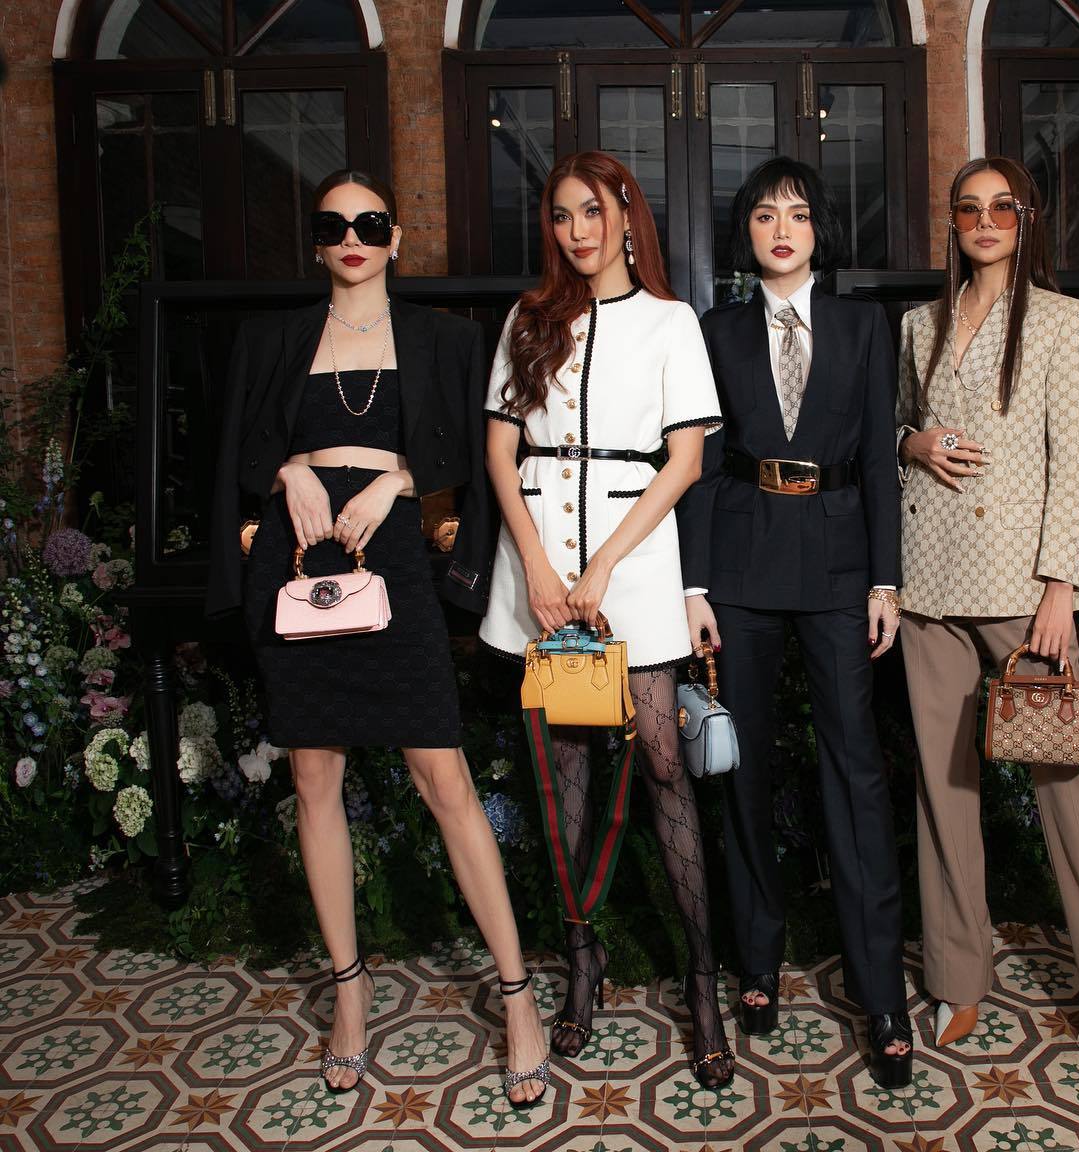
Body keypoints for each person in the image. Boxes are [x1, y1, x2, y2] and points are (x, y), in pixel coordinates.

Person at [206, 169, 549, 1107]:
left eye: (370, 223)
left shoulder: (445, 338)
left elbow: (478, 455)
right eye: (334, 225)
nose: (352, 237)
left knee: (444, 779)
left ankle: (517, 994)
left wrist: (397, 479)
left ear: (396, 237)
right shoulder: (274, 339)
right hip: (300, 560)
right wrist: (290, 471)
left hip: (394, 558)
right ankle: (350, 995)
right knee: (314, 777)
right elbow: (234, 449)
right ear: (316, 241)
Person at [895, 156, 1079, 1110]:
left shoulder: (1062, 320)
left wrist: (1064, 584)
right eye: (968, 208)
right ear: (952, 222)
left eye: (1002, 208)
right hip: (930, 583)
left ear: (1026, 219)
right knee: (944, 794)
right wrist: (914, 442)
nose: (985, 221)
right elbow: (894, 431)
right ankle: (959, 980)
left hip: (1023, 590)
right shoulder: (919, 325)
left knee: (1077, 798)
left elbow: (1073, 457)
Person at [479, 151, 735, 1090]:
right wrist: (540, 568)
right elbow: (500, 453)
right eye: (561, 215)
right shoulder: (529, 317)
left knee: (663, 760)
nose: (577, 230)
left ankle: (702, 981)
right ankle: (581, 965)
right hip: (542, 566)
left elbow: (685, 462)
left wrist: (602, 566)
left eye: (592, 211)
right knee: (565, 772)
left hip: (631, 561)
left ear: (627, 214)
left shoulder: (672, 321)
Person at [678, 157, 913, 1089]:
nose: (783, 229)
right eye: (766, 215)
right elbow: (699, 463)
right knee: (743, 769)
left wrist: (886, 581)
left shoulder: (862, 327)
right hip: (739, 568)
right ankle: (757, 960)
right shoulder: (716, 331)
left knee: (854, 770)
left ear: (820, 231)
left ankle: (881, 991)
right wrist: (694, 586)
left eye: (799, 215)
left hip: (840, 564)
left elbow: (881, 460)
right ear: (746, 232)